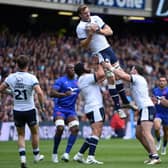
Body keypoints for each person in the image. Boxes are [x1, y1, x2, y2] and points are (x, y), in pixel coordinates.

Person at [76, 4, 138, 119]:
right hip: (99, 53)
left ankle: (125, 101)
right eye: (85, 13)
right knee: (111, 77)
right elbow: (83, 45)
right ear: (80, 15)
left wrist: (98, 31)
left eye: (88, 12)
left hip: (108, 49)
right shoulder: (80, 27)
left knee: (119, 77)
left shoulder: (96, 19)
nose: (88, 14)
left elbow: (110, 31)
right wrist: (90, 35)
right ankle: (118, 108)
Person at [104, 63, 161, 165]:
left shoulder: (138, 78)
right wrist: (114, 68)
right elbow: (120, 75)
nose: (130, 70)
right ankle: (152, 155)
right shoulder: (136, 79)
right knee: (138, 134)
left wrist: (110, 67)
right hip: (144, 108)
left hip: (147, 107)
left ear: (135, 71)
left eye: (132, 69)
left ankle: (156, 157)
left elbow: (122, 75)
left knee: (146, 132)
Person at [0, 55, 45, 168]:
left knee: (21, 135)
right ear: (27, 65)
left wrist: (11, 92)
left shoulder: (11, 77)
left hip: (17, 110)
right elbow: (39, 93)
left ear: (17, 65)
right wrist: (42, 106)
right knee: (34, 132)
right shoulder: (31, 78)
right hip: (30, 109)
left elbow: (1, 88)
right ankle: (36, 156)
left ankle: (23, 159)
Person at [73, 61, 105, 164]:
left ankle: (79, 155)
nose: (88, 66)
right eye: (85, 66)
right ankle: (91, 157)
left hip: (91, 107)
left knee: (95, 132)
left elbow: (100, 78)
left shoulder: (82, 79)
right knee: (96, 131)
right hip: (95, 106)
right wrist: (100, 63)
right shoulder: (86, 78)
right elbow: (101, 74)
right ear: (82, 69)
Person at [50, 64, 80, 163]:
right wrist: (63, 94)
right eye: (70, 68)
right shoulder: (60, 81)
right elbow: (52, 93)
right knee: (60, 128)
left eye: (73, 68)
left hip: (71, 111)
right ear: (66, 70)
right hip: (60, 109)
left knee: (75, 129)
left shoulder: (78, 82)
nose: (72, 69)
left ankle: (66, 154)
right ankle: (54, 153)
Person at [152, 76, 168, 155]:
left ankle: (164, 146)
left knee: (166, 132)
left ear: (166, 82)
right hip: (158, 113)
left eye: (163, 81)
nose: (161, 82)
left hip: (167, 114)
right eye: (160, 81)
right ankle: (158, 141)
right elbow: (153, 100)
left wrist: (160, 101)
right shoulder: (155, 90)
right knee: (156, 127)